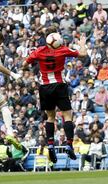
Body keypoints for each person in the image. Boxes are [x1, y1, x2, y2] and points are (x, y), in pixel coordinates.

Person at [21, 26, 88, 163]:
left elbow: (23, 64)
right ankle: (69, 144)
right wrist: (82, 44)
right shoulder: (62, 49)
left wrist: (31, 64)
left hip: (45, 87)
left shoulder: (39, 51)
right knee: (67, 115)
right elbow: (83, 54)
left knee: (50, 117)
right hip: (59, 85)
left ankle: (50, 144)